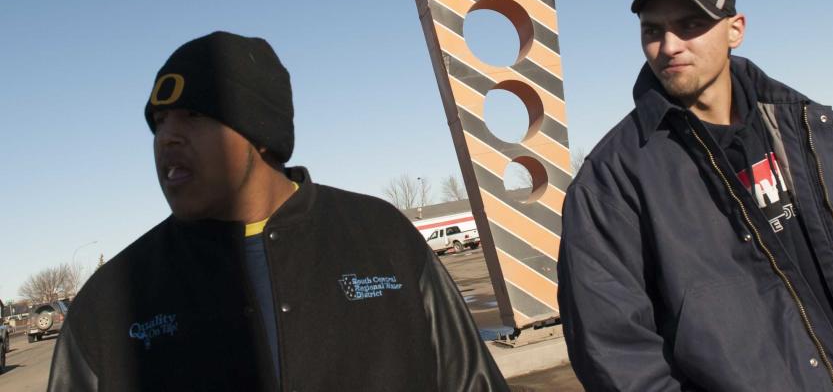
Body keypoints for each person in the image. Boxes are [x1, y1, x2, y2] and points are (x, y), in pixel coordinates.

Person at [558, 0, 833, 392]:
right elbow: (615, 355)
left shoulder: (811, 129)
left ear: (736, 29)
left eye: (690, 24)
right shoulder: (611, 181)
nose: (669, 45)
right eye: (652, 30)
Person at [48, 31, 508, 391]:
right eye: (159, 122)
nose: (166, 137)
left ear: (260, 131)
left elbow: (470, 380)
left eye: (193, 116)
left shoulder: (380, 236)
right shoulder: (111, 302)